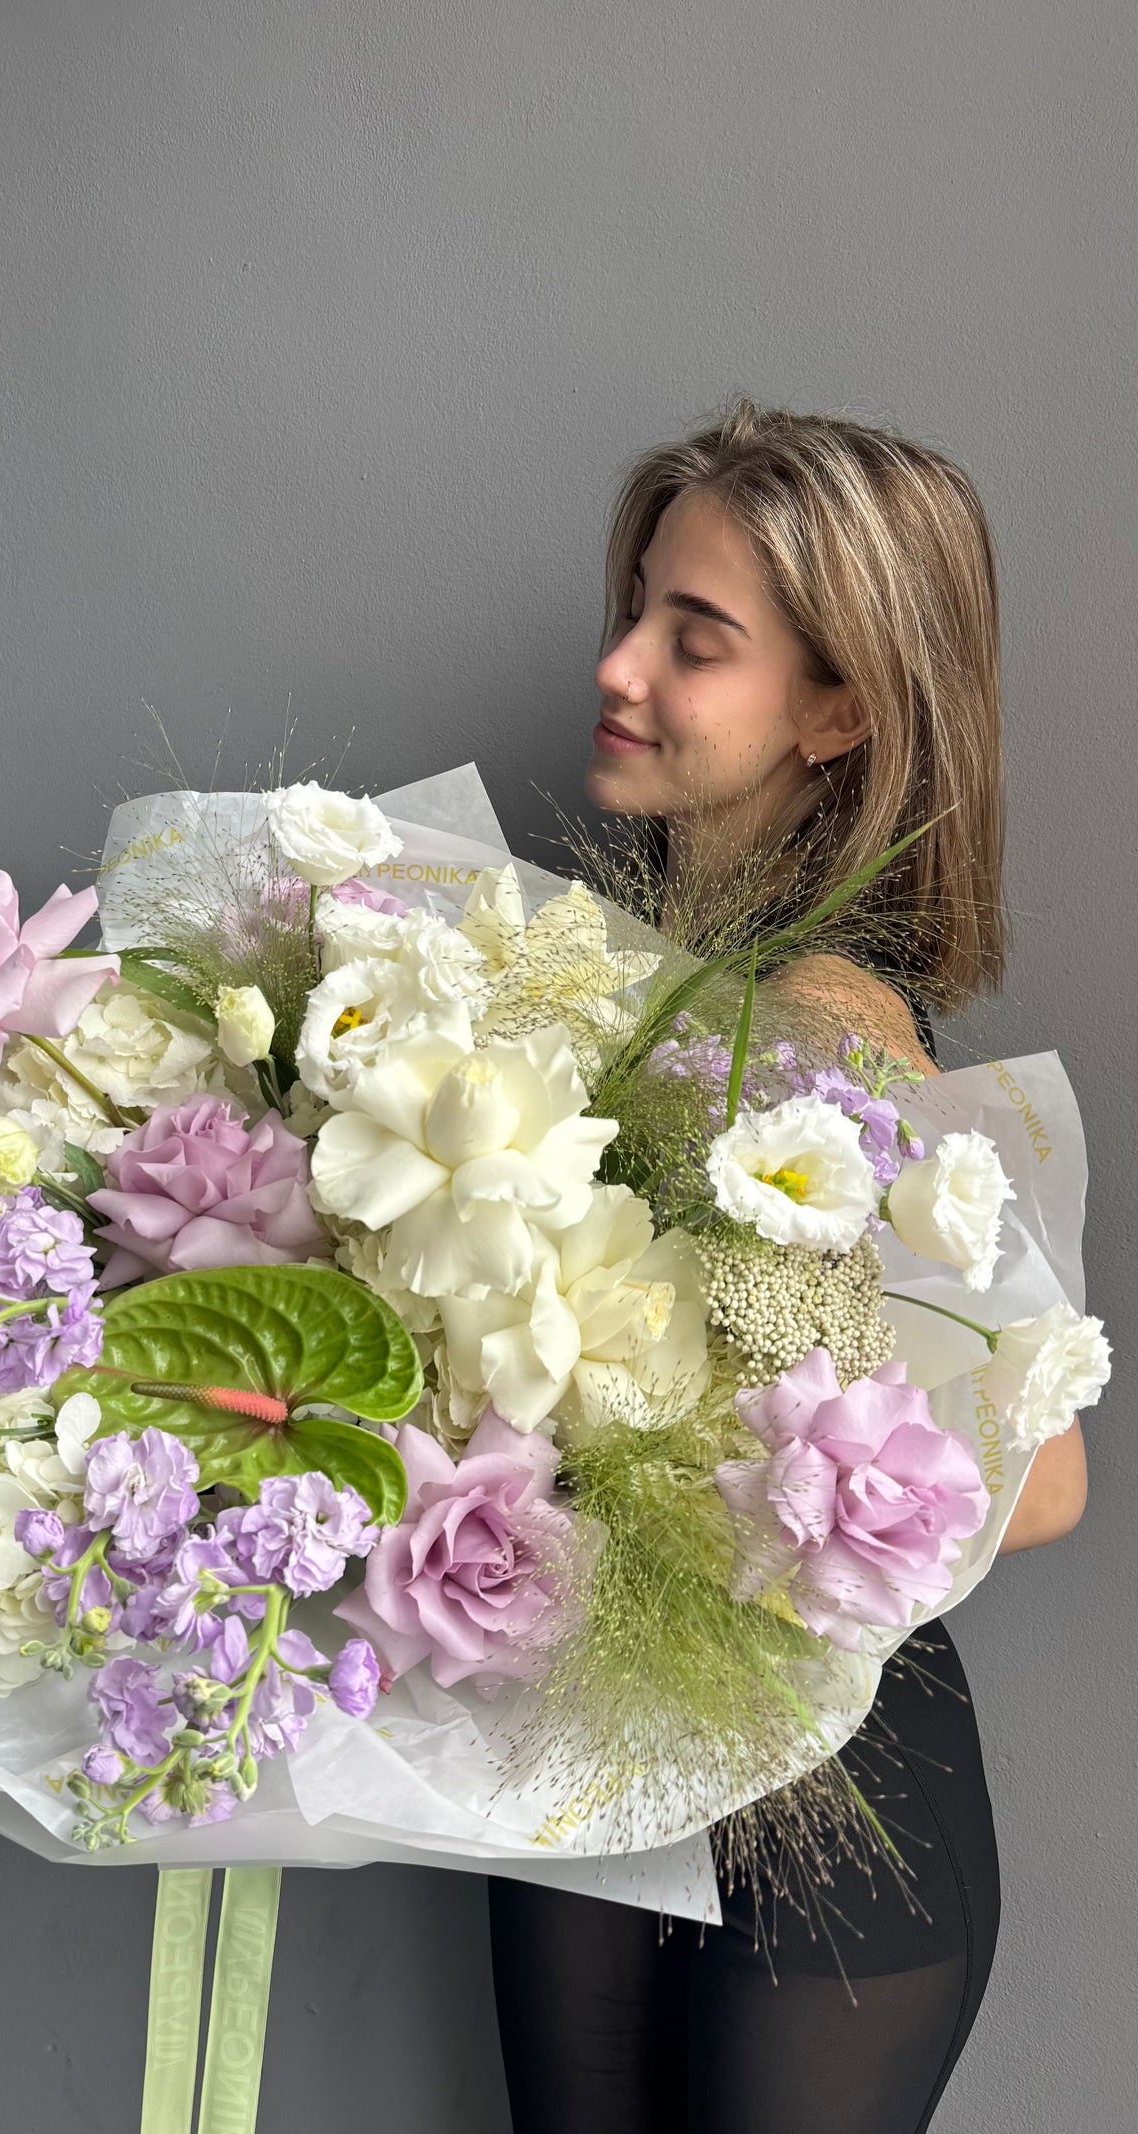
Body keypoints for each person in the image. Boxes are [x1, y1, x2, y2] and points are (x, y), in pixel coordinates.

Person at [487, 401, 1088, 2134]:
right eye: (635, 607)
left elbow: (1039, 1478)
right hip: (616, 1760)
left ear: (840, 711)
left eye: (698, 637)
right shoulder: (641, 985)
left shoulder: (828, 1026)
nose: (621, 665)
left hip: (829, 1826)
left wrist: (698, 1485)